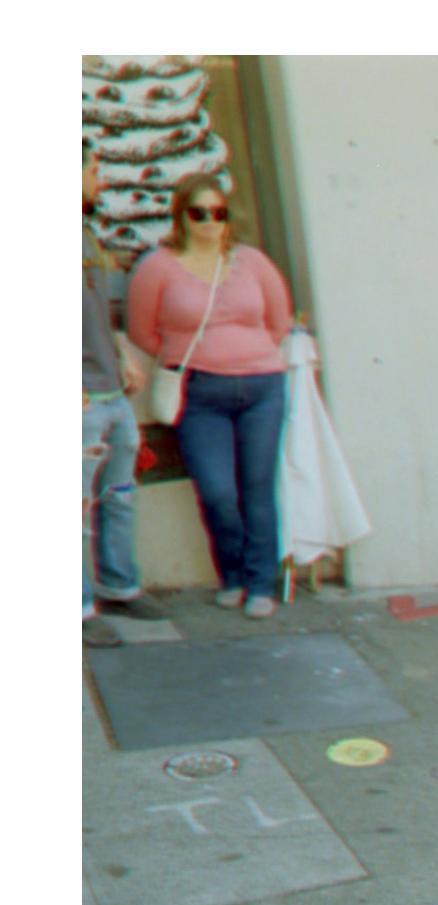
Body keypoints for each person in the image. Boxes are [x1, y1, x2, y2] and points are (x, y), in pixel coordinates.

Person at [127, 172, 293, 619]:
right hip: (200, 394)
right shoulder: (158, 266)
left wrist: (250, 353)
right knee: (217, 490)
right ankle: (232, 575)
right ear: (182, 216)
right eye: (199, 213)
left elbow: (279, 320)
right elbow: (142, 330)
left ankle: (261, 583)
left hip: (262, 387)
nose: (209, 222)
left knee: (258, 488)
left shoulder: (252, 261)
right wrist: (186, 356)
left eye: (218, 213)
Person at [83, 138, 169, 647]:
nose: (99, 181)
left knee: (118, 494)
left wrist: (121, 352)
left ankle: (119, 586)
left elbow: (95, 309)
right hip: (82, 399)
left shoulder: (86, 235)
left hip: (111, 389)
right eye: (92, 170)